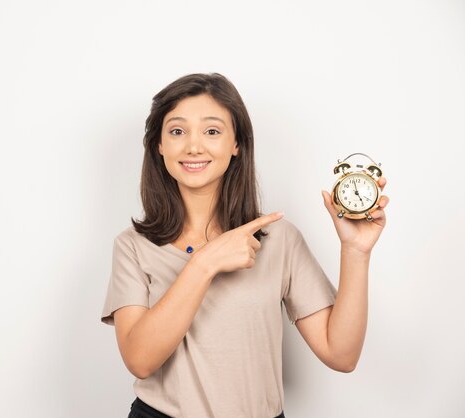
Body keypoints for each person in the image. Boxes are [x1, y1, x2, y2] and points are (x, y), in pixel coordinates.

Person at [100, 73, 389, 418]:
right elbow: (140, 360)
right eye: (177, 131)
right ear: (159, 145)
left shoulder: (279, 239)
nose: (193, 146)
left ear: (237, 143)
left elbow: (341, 355)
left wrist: (356, 251)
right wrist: (205, 264)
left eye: (212, 131)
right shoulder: (133, 246)